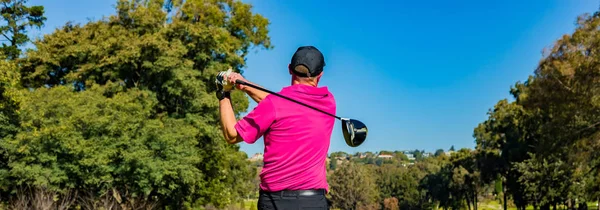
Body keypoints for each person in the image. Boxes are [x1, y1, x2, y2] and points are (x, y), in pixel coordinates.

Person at [216, 46, 335, 210]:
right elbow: (285, 104)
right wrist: (243, 83)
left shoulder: (274, 104)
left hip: (275, 202)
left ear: (289, 69)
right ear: (320, 76)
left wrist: (223, 93)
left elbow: (231, 135)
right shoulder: (328, 102)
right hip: (314, 202)